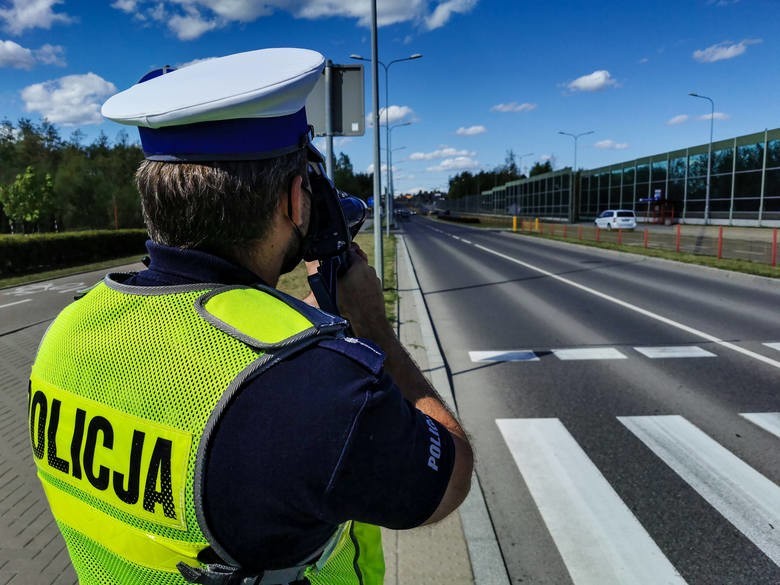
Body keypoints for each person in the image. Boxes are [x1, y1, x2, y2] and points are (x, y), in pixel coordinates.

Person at [28, 48, 473, 585]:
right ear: (293, 199)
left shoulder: (68, 332)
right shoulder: (324, 390)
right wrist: (372, 330)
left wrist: (306, 331)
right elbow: (448, 479)